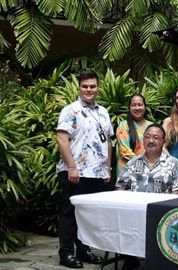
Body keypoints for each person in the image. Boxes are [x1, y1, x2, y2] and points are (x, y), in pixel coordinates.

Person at [56, 70, 113, 268]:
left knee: (88, 217)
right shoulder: (70, 110)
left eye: (93, 86)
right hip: (75, 173)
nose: (89, 89)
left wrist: (108, 167)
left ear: (98, 87)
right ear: (79, 87)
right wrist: (72, 167)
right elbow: (62, 138)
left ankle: (84, 250)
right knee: (70, 214)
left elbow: (108, 142)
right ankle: (66, 253)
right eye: (85, 86)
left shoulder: (103, 112)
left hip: (97, 173)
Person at [116, 123, 178, 193]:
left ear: (163, 142)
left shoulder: (174, 164)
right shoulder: (132, 164)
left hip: (162, 204)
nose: (151, 141)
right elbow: (120, 188)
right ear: (143, 140)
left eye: (155, 138)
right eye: (147, 137)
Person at [116, 94, 152, 179]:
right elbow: (125, 151)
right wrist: (146, 165)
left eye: (140, 105)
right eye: (133, 105)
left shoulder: (151, 126)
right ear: (129, 108)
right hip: (127, 174)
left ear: (145, 107)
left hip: (148, 174)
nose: (137, 108)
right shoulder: (124, 126)